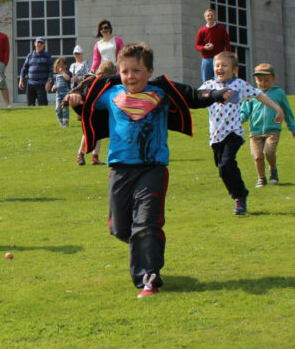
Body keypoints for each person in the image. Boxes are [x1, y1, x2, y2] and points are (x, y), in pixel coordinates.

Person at [68, 42, 230, 298]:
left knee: (146, 224)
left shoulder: (161, 93)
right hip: (120, 170)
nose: (130, 76)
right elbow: (87, 107)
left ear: (150, 70)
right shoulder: (110, 95)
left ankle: (148, 277)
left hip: (153, 169)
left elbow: (193, 96)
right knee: (121, 228)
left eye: (137, 71)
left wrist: (218, 95)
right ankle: (144, 248)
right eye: (125, 71)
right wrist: (77, 102)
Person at [198, 52, 283, 215]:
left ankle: (239, 198)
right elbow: (193, 98)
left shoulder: (239, 85)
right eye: (217, 65)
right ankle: (238, 194)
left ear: (235, 69)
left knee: (227, 163)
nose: (219, 68)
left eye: (224, 65)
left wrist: (277, 108)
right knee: (222, 169)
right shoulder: (208, 86)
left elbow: (259, 95)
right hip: (216, 137)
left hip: (233, 133)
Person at [240, 63, 295, 187]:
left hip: (273, 130)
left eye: (266, 80)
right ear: (255, 80)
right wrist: (239, 120)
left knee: (269, 152)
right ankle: (261, 178)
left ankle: (273, 170)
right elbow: (245, 111)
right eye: (259, 80)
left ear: (273, 79)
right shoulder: (252, 94)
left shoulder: (278, 93)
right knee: (257, 156)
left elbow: (287, 111)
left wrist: (292, 128)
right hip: (255, 132)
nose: (263, 83)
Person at [69, 60, 115, 165]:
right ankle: (80, 153)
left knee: (98, 134)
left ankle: (95, 157)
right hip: (89, 110)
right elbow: (80, 88)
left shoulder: (105, 82)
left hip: (98, 111)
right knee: (87, 133)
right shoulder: (93, 79)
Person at [195, 9, 232, 82]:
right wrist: (204, 48)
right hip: (206, 59)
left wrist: (229, 55)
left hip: (218, 58)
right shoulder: (201, 31)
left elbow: (227, 42)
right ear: (205, 18)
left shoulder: (221, 28)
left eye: (212, 15)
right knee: (206, 80)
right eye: (208, 16)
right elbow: (197, 46)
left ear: (215, 17)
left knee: (219, 79)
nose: (210, 17)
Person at [18, 37, 54, 106]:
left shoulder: (47, 56)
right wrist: (21, 80)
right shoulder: (30, 55)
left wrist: (49, 82)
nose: (39, 44)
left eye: (41, 43)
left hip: (42, 84)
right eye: (38, 42)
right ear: (35, 43)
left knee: (43, 105)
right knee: (30, 106)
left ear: (44, 45)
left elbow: (50, 70)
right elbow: (24, 68)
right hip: (30, 84)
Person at [51, 57, 72, 127]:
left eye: (62, 65)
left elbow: (68, 79)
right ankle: (60, 120)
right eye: (58, 65)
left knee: (65, 107)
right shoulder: (56, 75)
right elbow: (56, 83)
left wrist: (63, 72)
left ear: (65, 66)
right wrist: (54, 87)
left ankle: (65, 121)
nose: (60, 67)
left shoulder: (67, 73)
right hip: (58, 94)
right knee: (57, 108)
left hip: (66, 93)